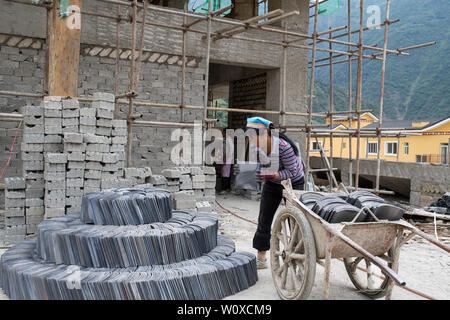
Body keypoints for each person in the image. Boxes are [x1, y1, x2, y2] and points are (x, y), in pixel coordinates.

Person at [246, 116, 305, 269]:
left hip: (293, 182)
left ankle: (299, 258)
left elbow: (292, 171)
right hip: (272, 183)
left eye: (253, 136)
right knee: (264, 218)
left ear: (265, 133)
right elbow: (260, 166)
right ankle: (261, 257)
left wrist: (274, 174)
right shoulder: (256, 148)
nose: (251, 140)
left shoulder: (283, 146)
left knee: (295, 221)